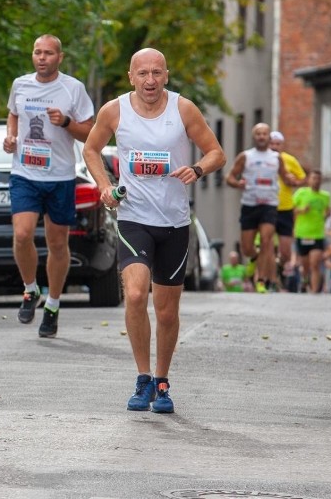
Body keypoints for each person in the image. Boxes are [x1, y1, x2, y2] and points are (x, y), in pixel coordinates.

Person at [82, 47, 226, 414]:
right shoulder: (114, 110)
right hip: (133, 216)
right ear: (131, 76)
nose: (150, 80)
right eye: (143, 73)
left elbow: (216, 153)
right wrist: (104, 187)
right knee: (133, 294)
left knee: (165, 311)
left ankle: (162, 380)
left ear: (166, 75)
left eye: (157, 73)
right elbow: (91, 150)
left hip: (175, 222)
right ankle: (143, 377)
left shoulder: (183, 109)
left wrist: (197, 169)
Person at [2, 34, 95, 338]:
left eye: (48, 53)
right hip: (25, 172)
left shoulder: (73, 89)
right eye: (37, 52)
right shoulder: (21, 84)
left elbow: (90, 133)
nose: (41, 58)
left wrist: (67, 122)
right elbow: (13, 114)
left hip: (60, 176)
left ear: (60, 57)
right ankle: (31, 290)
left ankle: (53, 304)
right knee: (22, 233)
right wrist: (11, 137)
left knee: (57, 244)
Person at [225, 123, 300, 293]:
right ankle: (257, 258)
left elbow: (285, 177)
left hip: (269, 205)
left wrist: (292, 180)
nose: (261, 136)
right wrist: (238, 184)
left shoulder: (276, 158)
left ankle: (262, 280)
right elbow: (229, 177)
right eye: (258, 134)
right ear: (254, 137)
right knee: (247, 248)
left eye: (264, 134)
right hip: (250, 205)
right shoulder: (246, 156)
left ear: (269, 137)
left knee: (267, 241)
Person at [269, 131, 306, 287]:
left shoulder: (290, 160)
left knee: (285, 252)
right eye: (273, 143)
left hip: (286, 208)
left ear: (282, 145)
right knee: (267, 245)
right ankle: (268, 278)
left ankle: (279, 265)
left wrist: (294, 181)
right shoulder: (262, 159)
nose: (275, 147)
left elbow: (302, 178)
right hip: (268, 206)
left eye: (278, 144)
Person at [292, 169, 330, 294]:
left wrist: (327, 214)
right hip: (302, 233)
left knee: (315, 264)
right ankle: (304, 278)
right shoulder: (301, 193)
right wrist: (302, 210)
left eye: (318, 179)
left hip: (317, 234)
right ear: (309, 180)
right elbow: (291, 210)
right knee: (305, 264)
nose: (316, 181)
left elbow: (327, 211)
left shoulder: (325, 196)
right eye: (313, 178)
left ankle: (314, 292)